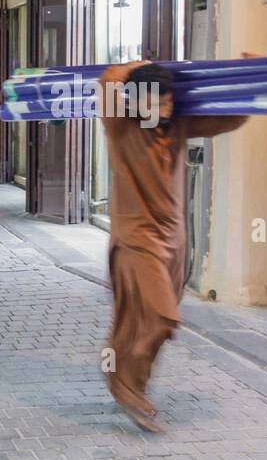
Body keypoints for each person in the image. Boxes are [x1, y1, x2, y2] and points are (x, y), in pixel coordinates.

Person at [99, 60, 250, 432]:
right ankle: (126, 387)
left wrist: (248, 78)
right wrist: (148, 65)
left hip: (174, 243)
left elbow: (228, 120)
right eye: (155, 103)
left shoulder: (179, 123)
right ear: (135, 102)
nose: (163, 110)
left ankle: (131, 381)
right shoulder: (120, 125)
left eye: (167, 102)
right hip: (136, 241)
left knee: (152, 323)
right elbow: (107, 79)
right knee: (160, 316)